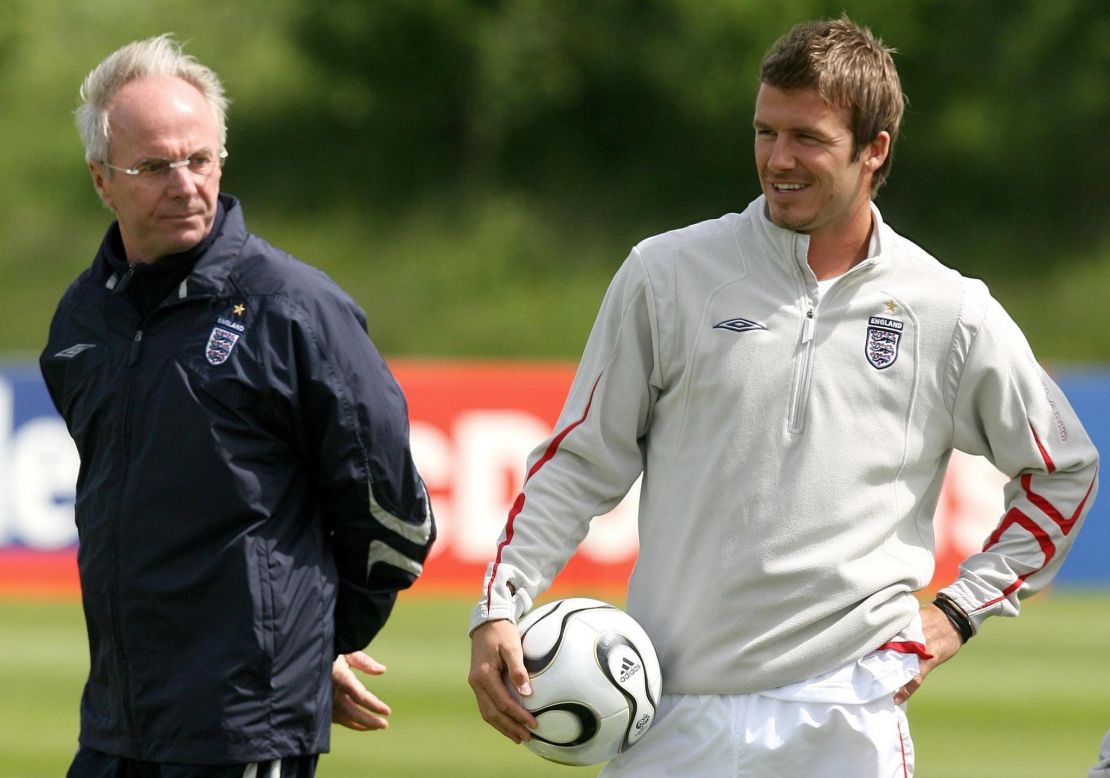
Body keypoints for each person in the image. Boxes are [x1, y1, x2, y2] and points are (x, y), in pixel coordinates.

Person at [467, 16, 1098, 777]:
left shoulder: (949, 310)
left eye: (808, 138)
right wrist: (501, 601)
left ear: (875, 151)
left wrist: (960, 611)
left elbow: (1065, 467)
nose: (779, 159)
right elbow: (578, 462)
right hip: (675, 714)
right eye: (766, 131)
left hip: (847, 713)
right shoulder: (664, 274)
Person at [40, 34, 435, 777]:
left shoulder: (296, 309)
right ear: (102, 178)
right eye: (155, 166)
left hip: (243, 729)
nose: (186, 183)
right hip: (118, 720)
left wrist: (313, 644)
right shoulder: (81, 320)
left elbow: (392, 516)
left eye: (201, 159)